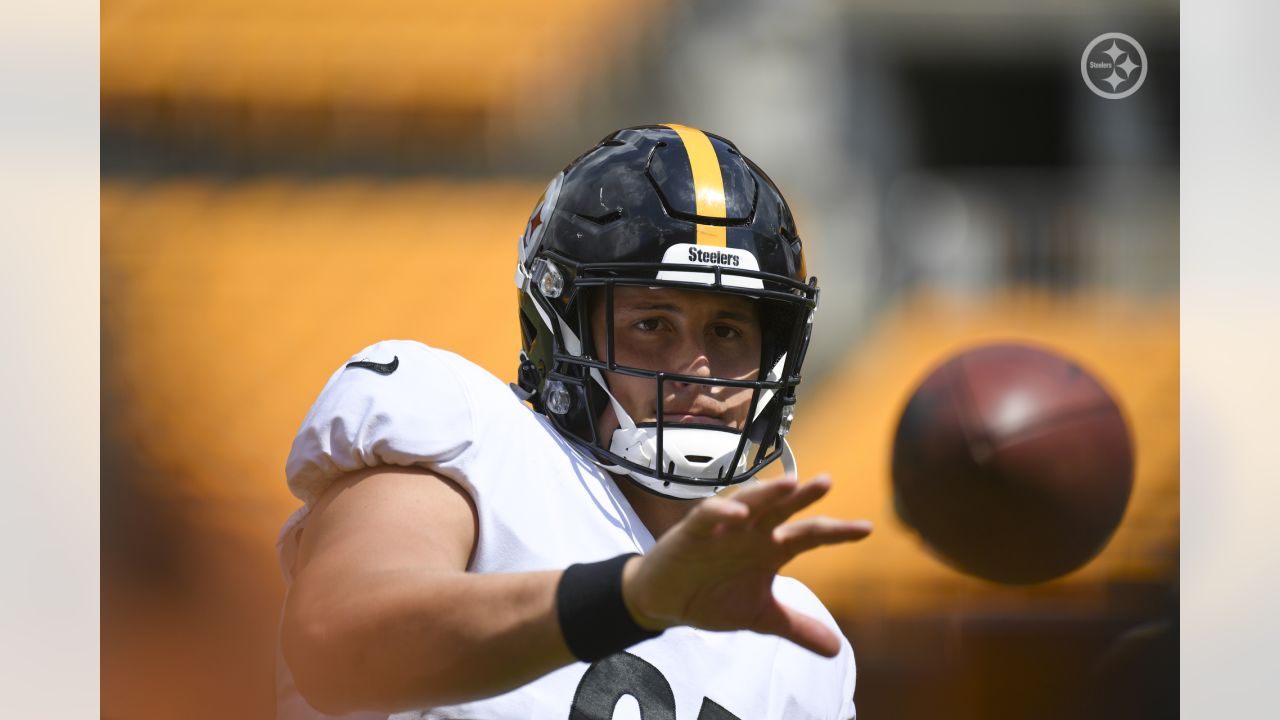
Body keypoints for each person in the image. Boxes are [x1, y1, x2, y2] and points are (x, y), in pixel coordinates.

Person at [275, 124, 872, 720]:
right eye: (652, 324)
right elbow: (337, 641)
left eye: (727, 330)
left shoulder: (800, 644)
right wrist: (630, 598)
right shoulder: (473, 436)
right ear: (560, 328)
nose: (698, 366)